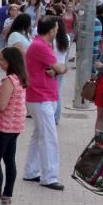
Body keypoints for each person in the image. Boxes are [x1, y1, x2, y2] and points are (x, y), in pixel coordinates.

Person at [21, 17, 67, 191]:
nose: (58, 30)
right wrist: (59, 69)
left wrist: (56, 69)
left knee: (39, 135)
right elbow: (60, 68)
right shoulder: (40, 46)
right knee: (49, 138)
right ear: (52, 30)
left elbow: (56, 68)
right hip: (41, 97)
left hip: (43, 95)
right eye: (56, 28)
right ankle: (49, 176)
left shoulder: (41, 44)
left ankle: (31, 171)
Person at [0, 47, 27, 205]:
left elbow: (1, 106)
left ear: (10, 62)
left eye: (2, 59)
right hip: (16, 125)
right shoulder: (20, 78)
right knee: (9, 159)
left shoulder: (9, 80)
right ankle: (7, 194)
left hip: (4, 126)